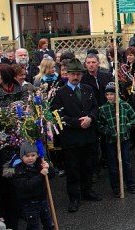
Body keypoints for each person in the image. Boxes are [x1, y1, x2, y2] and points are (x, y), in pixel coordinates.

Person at [50, 58, 102, 213]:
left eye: (78, 74)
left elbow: (95, 107)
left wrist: (90, 118)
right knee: (72, 168)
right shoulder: (60, 93)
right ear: (67, 74)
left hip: (88, 135)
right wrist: (77, 122)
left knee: (88, 165)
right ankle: (74, 196)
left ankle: (87, 190)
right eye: (72, 74)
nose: (75, 77)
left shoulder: (88, 89)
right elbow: (57, 115)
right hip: (71, 137)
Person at [97, 82, 135, 197]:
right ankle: (116, 187)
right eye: (107, 94)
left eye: (112, 94)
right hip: (110, 141)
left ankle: (130, 184)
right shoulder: (103, 108)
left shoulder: (124, 105)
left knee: (126, 162)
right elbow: (99, 124)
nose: (109, 96)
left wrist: (127, 125)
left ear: (117, 94)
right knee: (113, 164)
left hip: (124, 139)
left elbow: (134, 117)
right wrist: (106, 130)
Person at [13, 141, 55, 230]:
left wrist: (48, 168)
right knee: (33, 225)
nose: (30, 158)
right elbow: (27, 186)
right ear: (22, 157)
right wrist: (41, 175)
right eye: (27, 156)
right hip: (29, 203)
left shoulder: (39, 164)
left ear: (37, 155)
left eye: (33, 155)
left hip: (43, 199)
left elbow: (51, 175)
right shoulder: (19, 169)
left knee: (48, 222)